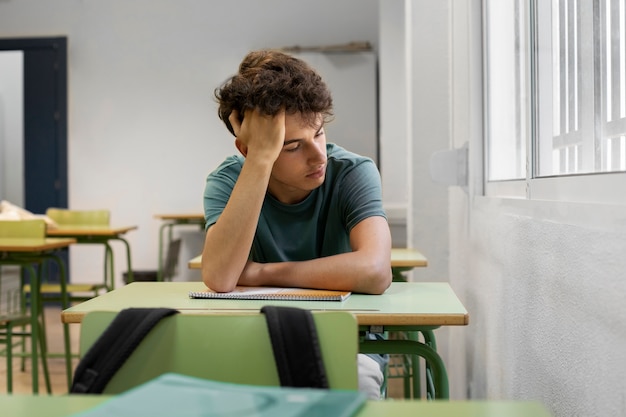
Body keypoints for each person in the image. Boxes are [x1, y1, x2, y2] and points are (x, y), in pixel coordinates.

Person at [201, 49, 392, 399]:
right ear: (247, 149)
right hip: (255, 334)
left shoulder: (352, 172)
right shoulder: (227, 181)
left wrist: (261, 273)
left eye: (318, 133)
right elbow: (220, 277)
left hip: (350, 337)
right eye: (292, 146)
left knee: (356, 383)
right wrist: (260, 159)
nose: (319, 155)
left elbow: (376, 270)